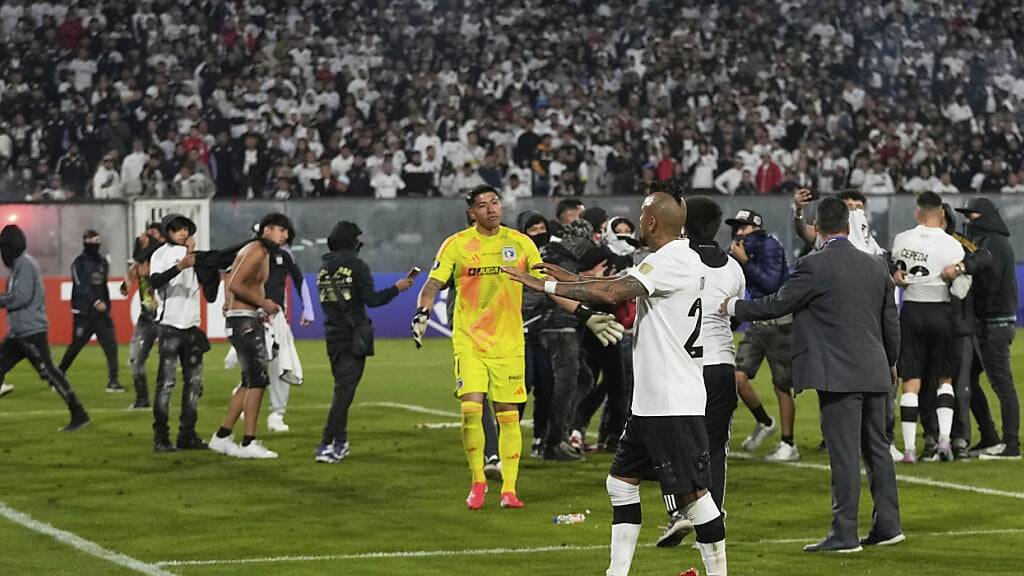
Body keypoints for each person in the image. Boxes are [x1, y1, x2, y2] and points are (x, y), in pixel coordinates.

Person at [504, 192, 728, 576]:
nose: (638, 219)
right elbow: (617, 283)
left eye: (642, 213)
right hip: (652, 402)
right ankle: (616, 572)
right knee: (621, 483)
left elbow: (613, 292)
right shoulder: (682, 258)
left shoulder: (670, 260)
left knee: (693, 495)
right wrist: (571, 278)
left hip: (671, 401)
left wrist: (548, 288)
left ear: (652, 222)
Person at [413, 185, 619, 510]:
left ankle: (509, 490)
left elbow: (548, 286)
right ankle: (478, 481)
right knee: (471, 410)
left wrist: (585, 314)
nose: (491, 208)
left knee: (508, 415)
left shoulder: (520, 243)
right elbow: (432, 285)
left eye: (495, 202)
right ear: (471, 213)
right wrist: (423, 311)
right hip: (470, 340)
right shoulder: (457, 244)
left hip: (509, 342)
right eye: (483, 205)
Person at [723, 195, 902, 553]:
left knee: (844, 454)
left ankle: (845, 534)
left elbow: (778, 303)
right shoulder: (876, 265)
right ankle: (888, 526)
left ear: (817, 228)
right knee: (877, 449)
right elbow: (891, 323)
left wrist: (733, 306)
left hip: (837, 374)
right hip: (875, 369)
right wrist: (890, 362)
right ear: (848, 226)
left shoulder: (813, 265)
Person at [315, 221, 413, 463]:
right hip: (353, 336)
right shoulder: (357, 266)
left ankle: (341, 441)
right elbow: (373, 300)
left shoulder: (324, 268)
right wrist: (397, 288)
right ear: (351, 241)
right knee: (344, 394)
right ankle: (327, 443)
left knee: (341, 390)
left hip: (332, 335)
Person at [208, 213, 294, 460]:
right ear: (267, 230)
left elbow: (234, 280)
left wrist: (258, 308)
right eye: (281, 230)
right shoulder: (256, 250)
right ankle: (248, 442)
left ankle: (222, 437)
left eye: (286, 232)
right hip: (243, 320)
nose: (285, 236)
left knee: (249, 381)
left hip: (245, 318)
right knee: (257, 381)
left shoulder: (259, 251)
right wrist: (264, 303)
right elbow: (234, 283)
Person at [680, 196, 745, 518]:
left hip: (684, 365)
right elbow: (735, 316)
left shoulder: (674, 260)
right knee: (715, 447)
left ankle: (685, 512)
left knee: (682, 444)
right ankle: (712, 517)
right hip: (721, 363)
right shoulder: (733, 266)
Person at [890, 192, 965, 463]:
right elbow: (961, 287)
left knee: (910, 381)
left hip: (911, 311)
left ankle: (910, 449)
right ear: (942, 214)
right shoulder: (952, 245)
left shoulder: (901, 239)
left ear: (917, 213)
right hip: (941, 310)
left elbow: (894, 268)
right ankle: (944, 440)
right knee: (944, 378)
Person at [0, 224, 90, 431]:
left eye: (4, 247)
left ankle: (79, 413)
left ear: (11, 246)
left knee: (49, 372)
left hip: (31, 333)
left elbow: (21, 298)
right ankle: (79, 414)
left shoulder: (24, 265)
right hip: (18, 333)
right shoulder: (18, 266)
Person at [726, 209, 798, 461]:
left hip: (781, 323)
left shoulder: (770, 245)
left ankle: (788, 444)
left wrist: (745, 261)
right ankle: (765, 422)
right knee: (737, 378)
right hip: (757, 323)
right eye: (736, 227)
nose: (738, 232)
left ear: (756, 227)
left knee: (782, 386)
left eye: (743, 227)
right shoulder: (742, 249)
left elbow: (770, 285)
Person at [951, 198, 1020, 460]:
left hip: (995, 325)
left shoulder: (994, 243)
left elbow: (981, 261)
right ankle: (990, 435)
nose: (968, 220)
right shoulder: (986, 240)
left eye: (972, 215)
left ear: (987, 216)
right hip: (988, 324)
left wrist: (961, 267)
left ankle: (1010, 444)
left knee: (1003, 385)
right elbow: (973, 251)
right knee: (968, 377)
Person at [149, 214, 208, 453]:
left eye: (185, 228)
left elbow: (209, 286)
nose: (183, 232)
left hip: (192, 326)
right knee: (166, 384)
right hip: (170, 325)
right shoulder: (160, 254)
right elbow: (155, 281)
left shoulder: (195, 255)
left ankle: (187, 435)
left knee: (194, 384)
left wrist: (194, 257)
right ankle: (161, 438)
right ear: (168, 232)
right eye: (177, 229)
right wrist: (179, 266)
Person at [58, 230, 123, 394]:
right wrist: (96, 301)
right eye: (92, 241)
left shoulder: (103, 262)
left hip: (101, 314)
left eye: (97, 241)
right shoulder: (78, 263)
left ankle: (113, 381)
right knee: (75, 347)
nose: (95, 244)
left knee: (111, 346)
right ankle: (58, 374)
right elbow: (81, 286)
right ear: (85, 242)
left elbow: (103, 286)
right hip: (84, 313)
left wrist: (107, 305)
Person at [120, 223, 165, 409]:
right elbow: (128, 281)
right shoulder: (138, 265)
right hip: (146, 319)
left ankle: (166, 398)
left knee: (168, 361)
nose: (144, 236)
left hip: (165, 319)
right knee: (136, 359)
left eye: (151, 234)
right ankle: (142, 399)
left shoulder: (163, 261)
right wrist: (126, 283)